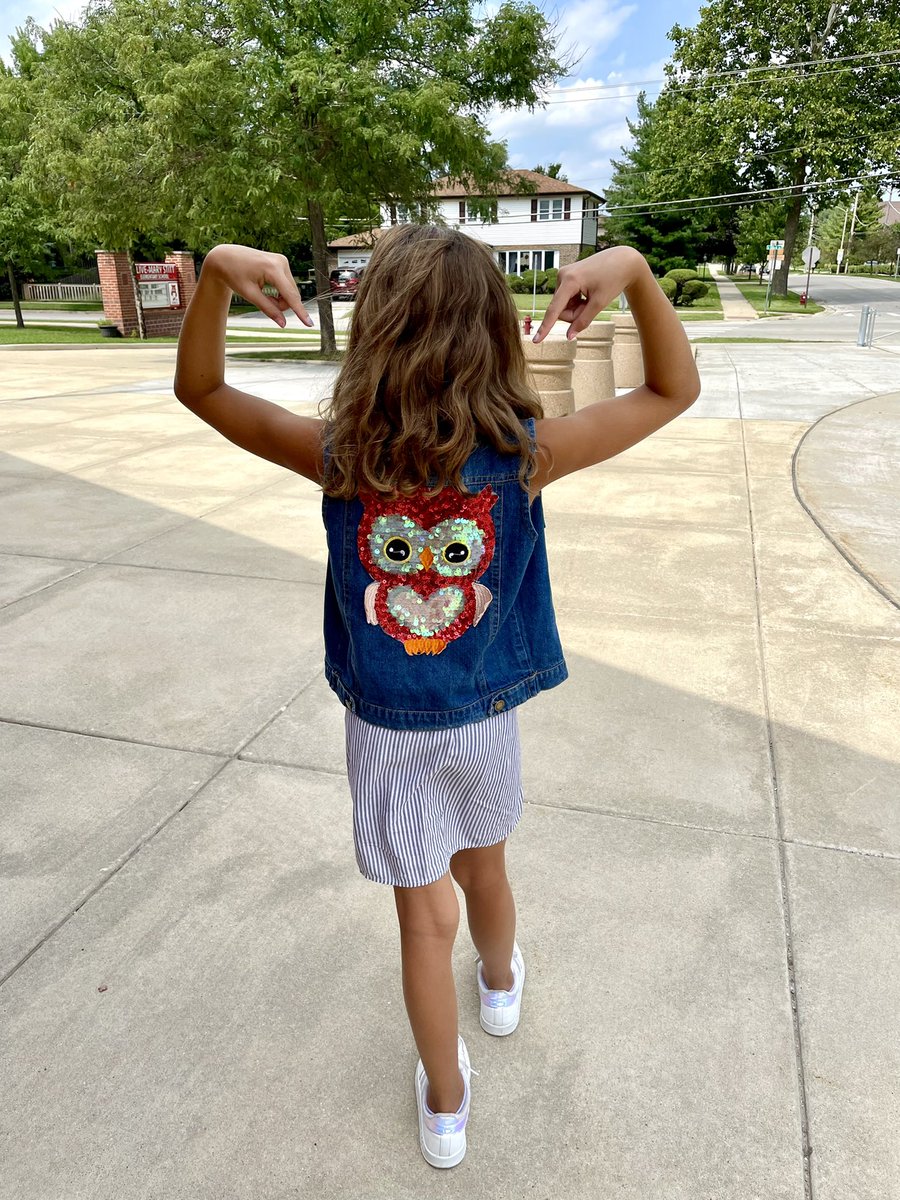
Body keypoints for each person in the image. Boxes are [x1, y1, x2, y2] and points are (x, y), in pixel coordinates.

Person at [173, 227, 700, 1169]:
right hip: (483, 723)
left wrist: (215, 273)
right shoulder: (528, 456)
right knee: (485, 872)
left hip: (386, 732)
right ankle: (498, 986)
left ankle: (447, 1105)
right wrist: (630, 270)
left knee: (423, 921)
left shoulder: (336, 457)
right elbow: (671, 390)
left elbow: (202, 391)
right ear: (492, 335)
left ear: (373, 331)